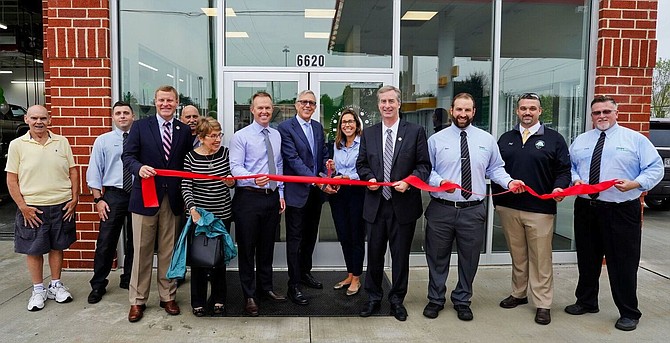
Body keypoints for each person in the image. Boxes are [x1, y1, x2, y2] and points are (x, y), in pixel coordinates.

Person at [422, 93, 525, 321]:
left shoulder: (487, 140)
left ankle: (462, 299)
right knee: (437, 258)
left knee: (469, 259)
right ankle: (436, 298)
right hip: (442, 208)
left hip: (473, 209)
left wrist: (510, 182)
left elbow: (496, 169)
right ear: (451, 110)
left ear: (474, 112)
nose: (463, 114)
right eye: (459, 109)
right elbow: (427, 171)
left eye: (467, 110)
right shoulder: (436, 140)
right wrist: (440, 183)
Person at [565, 95, 663, 331]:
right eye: (597, 112)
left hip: (621, 210)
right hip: (587, 209)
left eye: (606, 111)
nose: (601, 116)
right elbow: (570, 166)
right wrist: (576, 179)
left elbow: (655, 167)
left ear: (616, 113)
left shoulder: (634, 140)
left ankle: (629, 311)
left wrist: (636, 183)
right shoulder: (581, 140)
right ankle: (586, 301)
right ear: (591, 116)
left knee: (623, 262)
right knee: (587, 258)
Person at [492, 92, 571, 325]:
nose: (527, 112)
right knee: (518, 255)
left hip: (540, 209)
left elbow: (564, 170)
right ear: (517, 111)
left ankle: (543, 303)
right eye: (523, 108)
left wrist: (559, 188)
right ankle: (518, 294)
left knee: (541, 259)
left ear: (540, 111)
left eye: (532, 108)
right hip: (508, 207)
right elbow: (496, 169)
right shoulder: (506, 138)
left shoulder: (554, 139)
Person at [356, 85, 431, 321]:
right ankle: (373, 298)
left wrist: (409, 182)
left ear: (399, 104)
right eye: (383, 101)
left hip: (403, 205)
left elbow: (424, 166)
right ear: (378, 105)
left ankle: (397, 300)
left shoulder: (415, 131)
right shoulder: (368, 133)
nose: (387, 105)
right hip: (376, 206)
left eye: (391, 101)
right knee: (375, 256)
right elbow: (361, 164)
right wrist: (368, 179)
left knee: (400, 258)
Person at [122, 85, 193, 323]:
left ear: (176, 103)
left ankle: (167, 296)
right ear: (155, 102)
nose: (166, 104)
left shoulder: (183, 130)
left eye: (170, 100)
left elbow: (185, 164)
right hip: (145, 198)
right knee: (141, 251)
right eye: (162, 100)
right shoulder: (140, 127)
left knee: (168, 251)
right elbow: (128, 156)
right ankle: (138, 300)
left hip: (172, 200)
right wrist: (138, 168)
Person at [6, 104, 78, 311]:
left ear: (50, 120)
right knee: (34, 249)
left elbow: (73, 171)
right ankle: (38, 289)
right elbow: (12, 179)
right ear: (26, 119)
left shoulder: (62, 142)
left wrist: (74, 199)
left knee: (57, 246)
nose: (39, 122)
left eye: (43, 118)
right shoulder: (17, 145)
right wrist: (22, 207)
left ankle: (56, 285)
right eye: (34, 118)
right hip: (32, 207)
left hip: (61, 204)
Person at [229, 91, 286, 317]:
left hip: (271, 198)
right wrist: (254, 177)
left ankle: (266, 287)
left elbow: (279, 165)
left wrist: (280, 193)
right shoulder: (240, 136)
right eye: (260, 107)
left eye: (268, 108)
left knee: (266, 248)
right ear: (252, 110)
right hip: (248, 198)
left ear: (273, 110)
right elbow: (235, 167)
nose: (264, 111)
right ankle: (249, 295)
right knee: (247, 249)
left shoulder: (276, 134)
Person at [278, 90, 335, 305]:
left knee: (310, 236)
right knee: (295, 239)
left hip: (315, 193)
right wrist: (315, 180)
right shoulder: (285, 128)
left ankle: (305, 273)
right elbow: (292, 159)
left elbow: (322, 156)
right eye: (304, 102)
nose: (308, 105)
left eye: (311, 103)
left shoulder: (318, 127)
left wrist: (326, 172)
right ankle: (293, 285)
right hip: (297, 193)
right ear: (296, 104)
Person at [181, 117, 235, 317]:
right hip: (200, 218)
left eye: (219, 135)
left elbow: (232, 180)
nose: (218, 139)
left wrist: (230, 183)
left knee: (219, 260)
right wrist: (193, 209)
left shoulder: (226, 154)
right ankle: (198, 302)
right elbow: (186, 185)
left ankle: (220, 299)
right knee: (200, 261)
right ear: (201, 138)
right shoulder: (190, 158)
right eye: (213, 136)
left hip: (221, 216)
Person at [86, 101, 136, 304]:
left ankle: (129, 278)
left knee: (136, 242)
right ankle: (98, 284)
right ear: (113, 117)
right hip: (113, 195)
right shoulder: (103, 140)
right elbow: (94, 171)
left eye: (126, 113)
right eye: (118, 113)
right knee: (106, 242)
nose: (122, 116)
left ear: (133, 116)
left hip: (138, 194)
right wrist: (98, 199)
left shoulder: (140, 139)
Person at [326, 108, 365, 296]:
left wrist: (349, 177)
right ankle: (350, 274)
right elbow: (335, 172)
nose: (347, 125)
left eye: (351, 121)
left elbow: (366, 169)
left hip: (357, 194)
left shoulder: (363, 144)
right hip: (339, 195)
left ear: (357, 125)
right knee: (344, 236)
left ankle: (357, 277)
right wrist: (332, 168)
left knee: (356, 236)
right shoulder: (337, 145)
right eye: (344, 122)